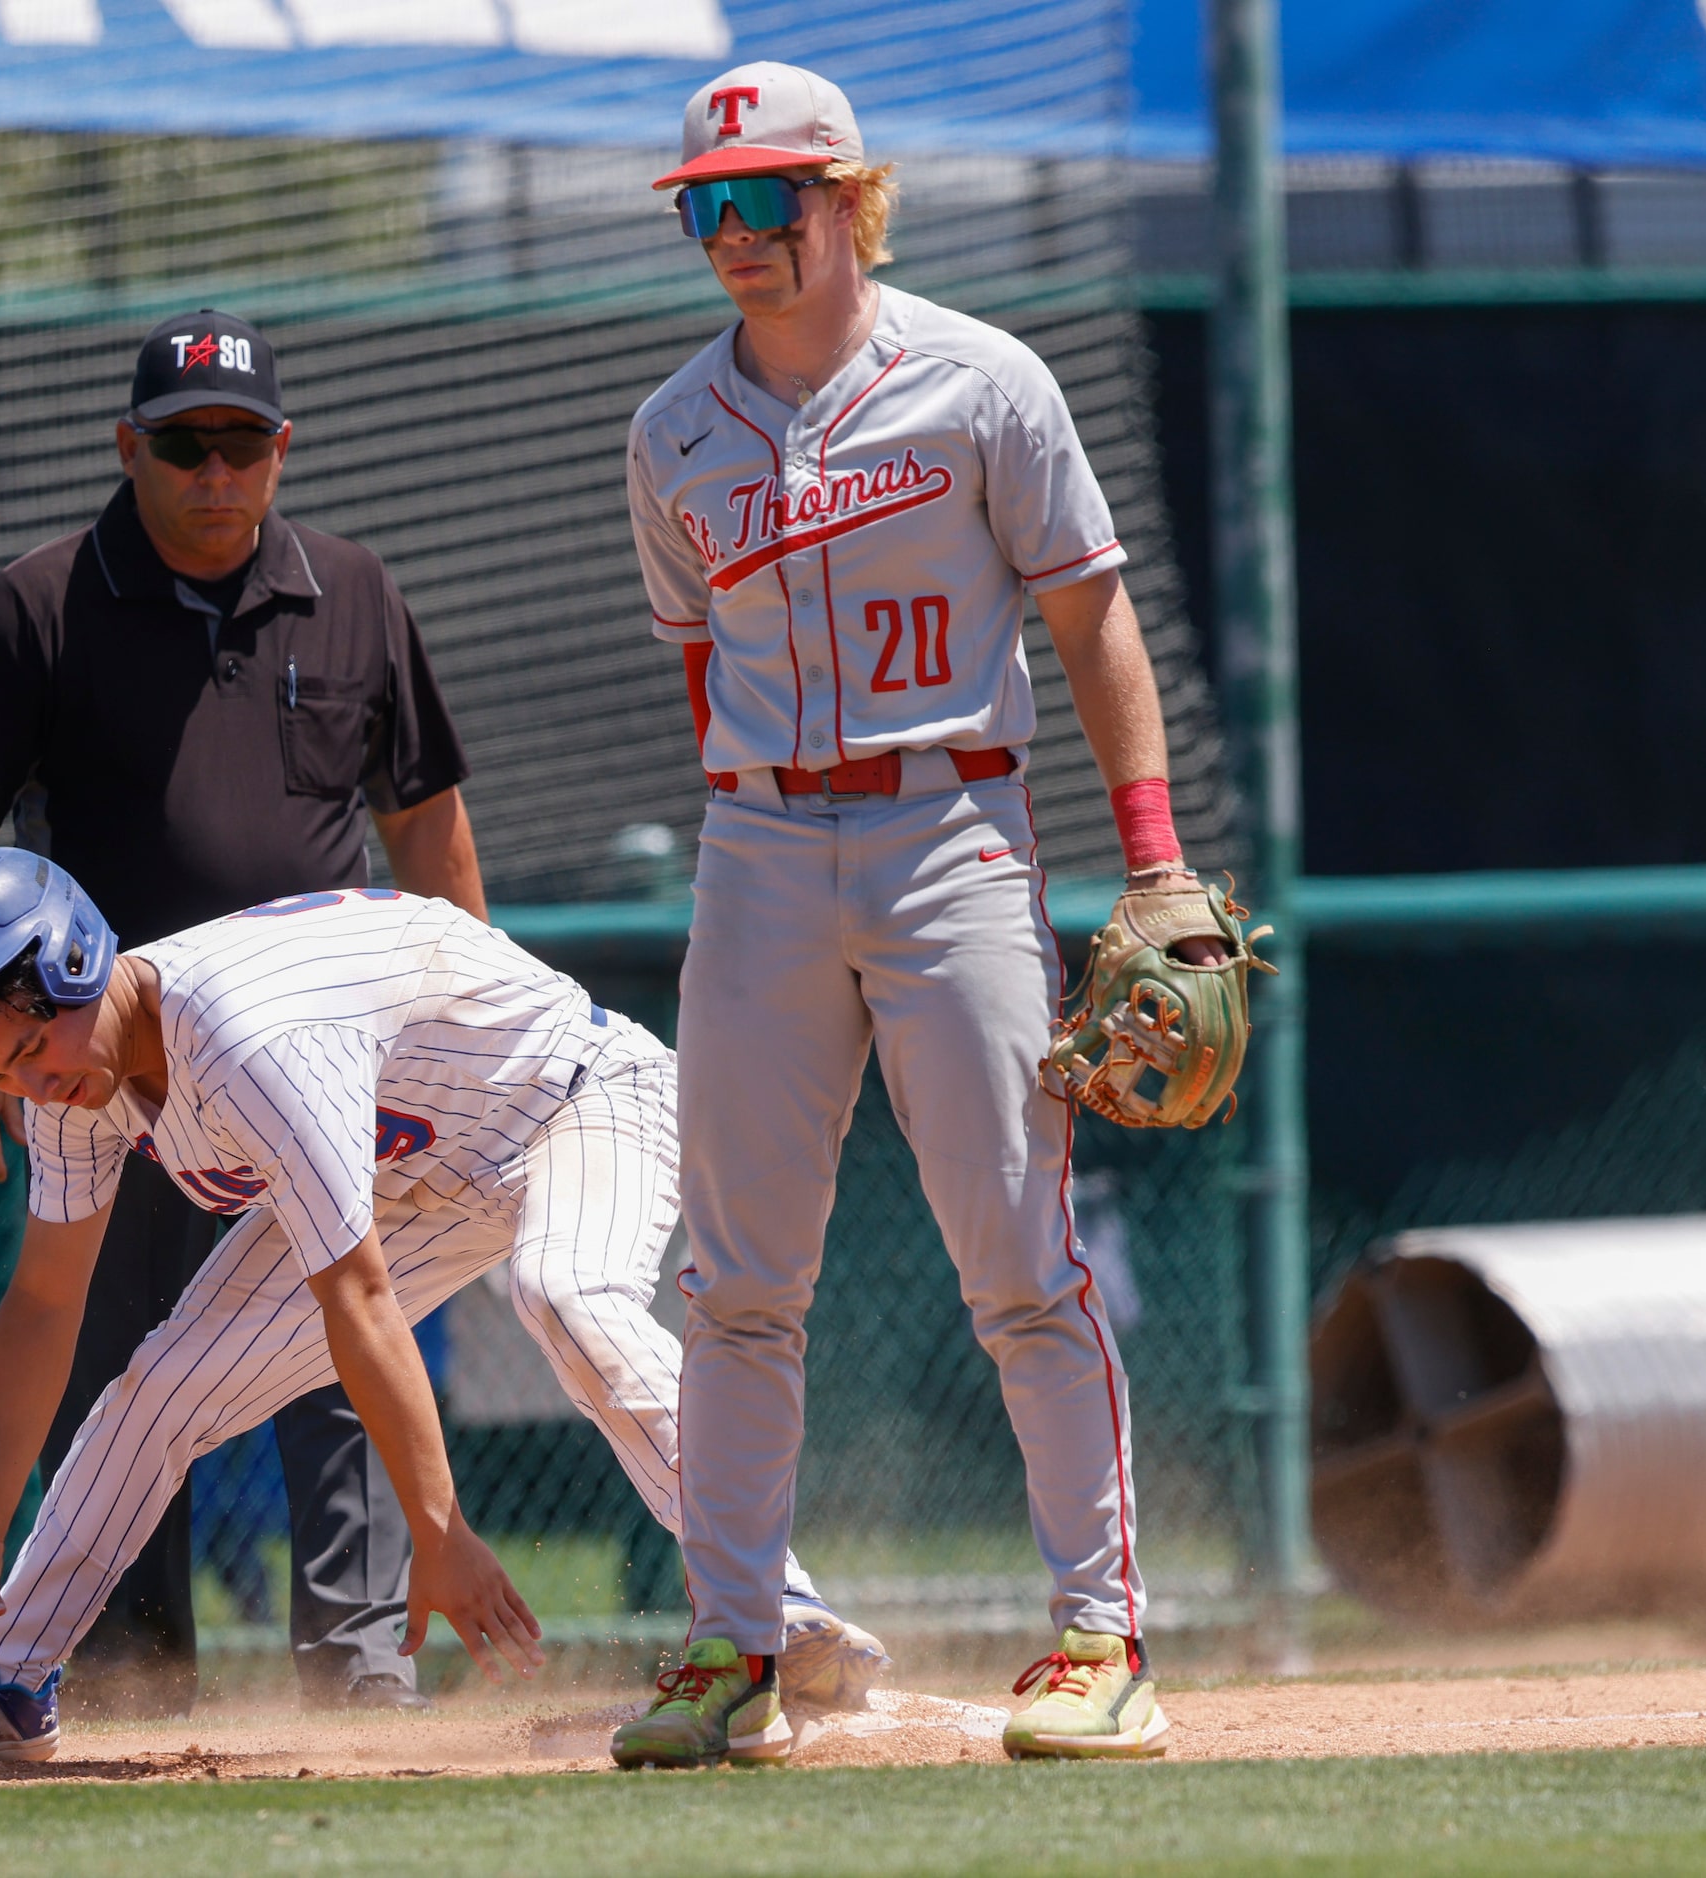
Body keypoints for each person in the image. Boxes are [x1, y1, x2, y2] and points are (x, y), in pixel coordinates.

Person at [608, 63, 1218, 1767]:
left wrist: (1151, 855)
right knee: (734, 1279)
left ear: (850, 201)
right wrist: (757, 820)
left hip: (954, 828)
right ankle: (733, 1650)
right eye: (705, 206)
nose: (732, 233)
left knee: (1022, 1258)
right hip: (759, 853)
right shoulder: (670, 432)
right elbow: (698, 659)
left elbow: (1094, 617)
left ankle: (1103, 1636)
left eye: (765, 198)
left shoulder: (981, 379)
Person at [0, 853, 887, 1769]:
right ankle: (3, 1683)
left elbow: (358, 1298)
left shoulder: (246, 1034)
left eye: (26, 1051)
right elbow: (42, 1304)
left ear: (73, 965)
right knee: (159, 1389)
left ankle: (770, 1610)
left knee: (564, 1290)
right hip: (413, 1170)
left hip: (576, 1097)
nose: (30, 1089)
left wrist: (440, 1530)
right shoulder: (76, 1082)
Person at [0, 308, 488, 1715]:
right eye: (184, 444)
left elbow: (430, 826)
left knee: (343, 1342)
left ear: (283, 448)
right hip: (109, 1062)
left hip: (321, 1052)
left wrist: (457, 1037)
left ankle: (356, 1675)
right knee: (119, 1369)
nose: (215, 472)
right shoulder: (42, 600)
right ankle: (125, 1677)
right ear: (129, 445)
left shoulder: (354, 591)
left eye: (242, 443)